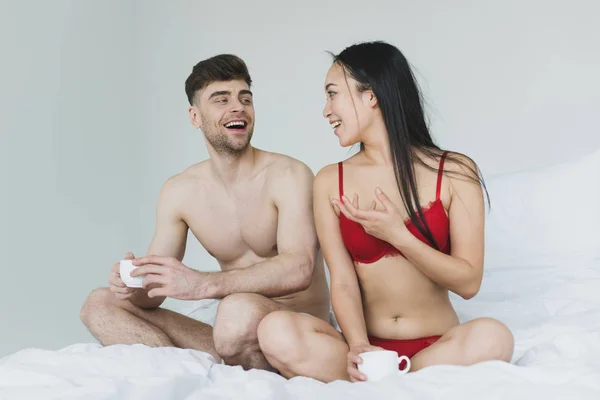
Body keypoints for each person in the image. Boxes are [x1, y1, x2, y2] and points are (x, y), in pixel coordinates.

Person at [256, 41, 514, 382]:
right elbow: (344, 281)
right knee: (275, 329)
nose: (326, 110)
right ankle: (384, 379)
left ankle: (405, 378)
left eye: (332, 94)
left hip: (437, 349)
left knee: (495, 337)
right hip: (366, 351)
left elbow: (468, 282)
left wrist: (398, 236)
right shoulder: (330, 180)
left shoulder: (453, 171)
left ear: (371, 95)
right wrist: (358, 347)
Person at [80, 54, 331, 371]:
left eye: (245, 98)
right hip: (229, 335)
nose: (238, 107)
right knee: (98, 304)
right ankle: (181, 374)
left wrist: (204, 285)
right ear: (195, 116)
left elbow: (300, 268)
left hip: (293, 333)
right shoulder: (180, 191)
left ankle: (222, 366)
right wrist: (135, 286)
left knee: (235, 312)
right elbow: (153, 295)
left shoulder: (289, 175)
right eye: (221, 99)